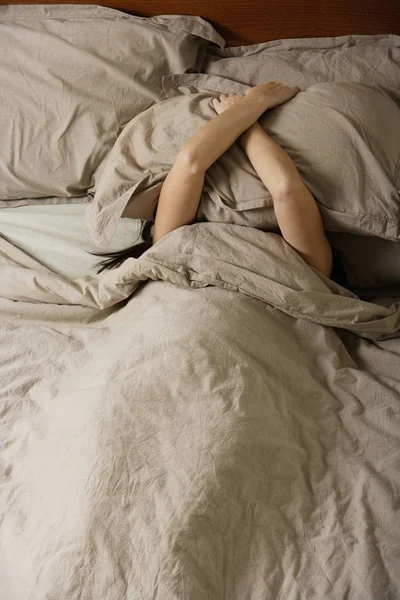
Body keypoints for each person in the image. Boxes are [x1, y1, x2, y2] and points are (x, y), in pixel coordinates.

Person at [92, 81, 336, 280]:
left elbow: (191, 161)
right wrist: (252, 106)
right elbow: (284, 187)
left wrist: (247, 110)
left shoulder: (168, 245)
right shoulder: (313, 268)